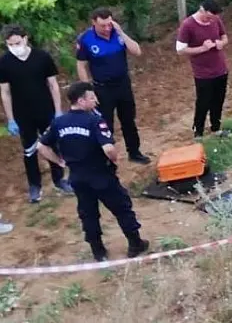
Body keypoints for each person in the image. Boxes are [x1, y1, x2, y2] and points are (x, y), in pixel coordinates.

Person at [36, 82, 149, 261]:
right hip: (100, 174)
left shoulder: (59, 122)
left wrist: (59, 162)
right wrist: (114, 159)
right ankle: (135, 244)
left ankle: (98, 251)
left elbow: (41, 146)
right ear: (81, 101)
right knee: (121, 207)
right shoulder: (94, 120)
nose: (96, 100)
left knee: (88, 213)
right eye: (91, 97)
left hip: (77, 177)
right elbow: (108, 148)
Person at [0, 25, 72, 203]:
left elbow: (53, 85)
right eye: (10, 44)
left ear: (25, 39)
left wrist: (58, 111)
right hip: (22, 114)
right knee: (29, 150)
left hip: (45, 110)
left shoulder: (42, 57)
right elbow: (5, 92)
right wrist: (10, 119)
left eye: (17, 43)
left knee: (53, 146)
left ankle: (59, 180)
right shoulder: (4, 62)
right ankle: (35, 186)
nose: (14, 47)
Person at [75, 8, 151, 164]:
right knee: (105, 124)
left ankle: (134, 152)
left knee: (128, 120)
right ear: (93, 22)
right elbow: (81, 66)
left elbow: (137, 51)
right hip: (102, 89)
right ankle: (106, 158)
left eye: (109, 24)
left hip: (123, 85)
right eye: (103, 25)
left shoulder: (117, 34)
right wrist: (88, 91)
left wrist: (121, 32)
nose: (107, 28)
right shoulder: (86, 39)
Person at [176, 0, 230, 140]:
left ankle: (216, 127)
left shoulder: (216, 20)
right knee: (203, 102)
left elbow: (225, 37)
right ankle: (198, 131)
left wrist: (221, 43)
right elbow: (180, 50)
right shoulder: (188, 25)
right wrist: (202, 48)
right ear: (203, 11)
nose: (210, 20)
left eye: (213, 18)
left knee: (218, 100)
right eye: (209, 17)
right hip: (203, 73)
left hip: (220, 68)